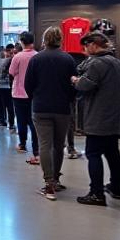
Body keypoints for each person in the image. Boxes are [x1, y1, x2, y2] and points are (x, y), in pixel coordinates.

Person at [25, 27, 79, 200]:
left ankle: (48, 184)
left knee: (45, 145)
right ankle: (55, 179)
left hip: (41, 107)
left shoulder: (36, 59)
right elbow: (74, 84)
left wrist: (36, 97)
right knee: (59, 145)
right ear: (60, 39)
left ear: (44, 39)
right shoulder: (68, 59)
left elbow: (28, 84)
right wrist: (68, 99)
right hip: (62, 108)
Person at [73, 32, 120, 206]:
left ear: (94, 45)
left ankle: (96, 193)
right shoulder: (118, 63)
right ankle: (116, 187)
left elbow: (84, 85)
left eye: (86, 46)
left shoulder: (97, 64)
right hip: (114, 116)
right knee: (113, 152)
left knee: (93, 153)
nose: (85, 50)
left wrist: (75, 80)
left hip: (98, 116)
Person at [8, 32, 39, 165]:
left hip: (19, 93)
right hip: (34, 94)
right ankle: (36, 149)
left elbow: (11, 72)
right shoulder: (37, 56)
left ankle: (22, 144)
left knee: (21, 120)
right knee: (33, 122)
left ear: (21, 42)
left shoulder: (17, 57)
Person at [0, 46, 13, 128]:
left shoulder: (8, 61)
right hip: (3, 86)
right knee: (7, 105)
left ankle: (5, 121)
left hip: (3, 86)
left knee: (4, 105)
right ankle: (8, 122)